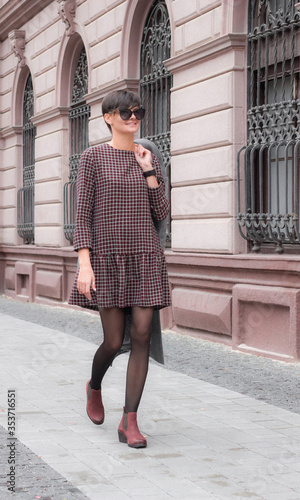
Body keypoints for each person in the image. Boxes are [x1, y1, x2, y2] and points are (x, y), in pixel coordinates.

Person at [68, 89, 171, 448]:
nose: (133, 116)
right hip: (107, 259)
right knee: (114, 341)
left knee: (142, 334)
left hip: (144, 256)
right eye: (126, 111)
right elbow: (81, 215)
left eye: (138, 111)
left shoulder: (148, 157)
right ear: (109, 116)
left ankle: (130, 421)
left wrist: (147, 170)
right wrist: (84, 264)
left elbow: (162, 212)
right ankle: (94, 387)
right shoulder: (93, 157)